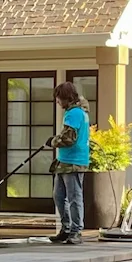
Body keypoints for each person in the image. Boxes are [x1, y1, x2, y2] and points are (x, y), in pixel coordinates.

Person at [49, 81, 90, 244]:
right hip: (64, 161)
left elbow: (68, 139)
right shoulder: (78, 112)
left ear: (66, 98)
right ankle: (66, 229)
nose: (57, 102)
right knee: (59, 196)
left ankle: (75, 231)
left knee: (74, 197)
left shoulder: (74, 113)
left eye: (58, 98)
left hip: (74, 161)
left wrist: (53, 141)